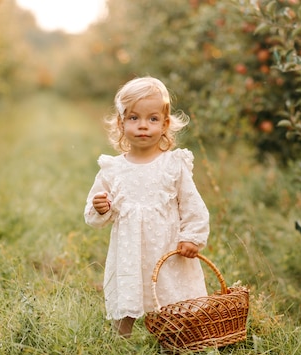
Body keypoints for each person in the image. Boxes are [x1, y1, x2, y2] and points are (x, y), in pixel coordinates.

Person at [84, 76, 210, 338]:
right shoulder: (113, 169)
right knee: (128, 292)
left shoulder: (173, 165)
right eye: (134, 118)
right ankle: (122, 341)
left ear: (165, 124)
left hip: (167, 248)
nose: (143, 126)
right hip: (130, 250)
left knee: (173, 294)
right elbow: (95, 216)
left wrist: (192, 237)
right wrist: (101, 207)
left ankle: (177, 341)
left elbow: (192, 204)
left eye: (152, 119)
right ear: (120, 123)